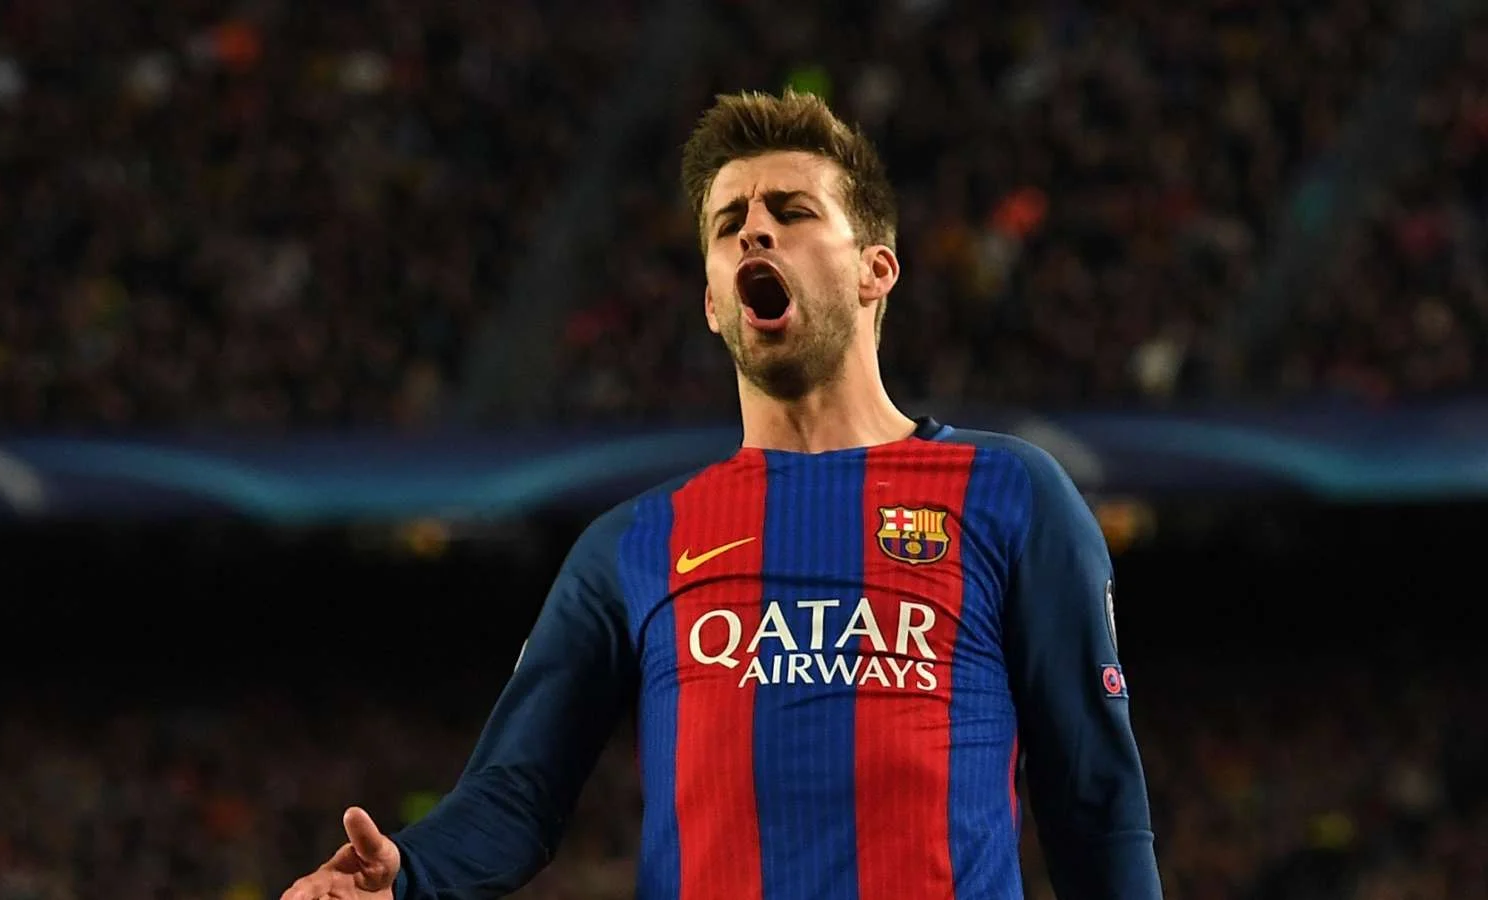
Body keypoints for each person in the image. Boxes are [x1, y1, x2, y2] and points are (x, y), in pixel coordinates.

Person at [281, 88, 1162, 900]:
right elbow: (516, 794)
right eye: (728, 222)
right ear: (711, 302)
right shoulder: (633, 544)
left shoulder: (1011, 495)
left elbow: (1096, 802)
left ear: (875, 270)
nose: (754, 233)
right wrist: (407, 876)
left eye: (792, 211)